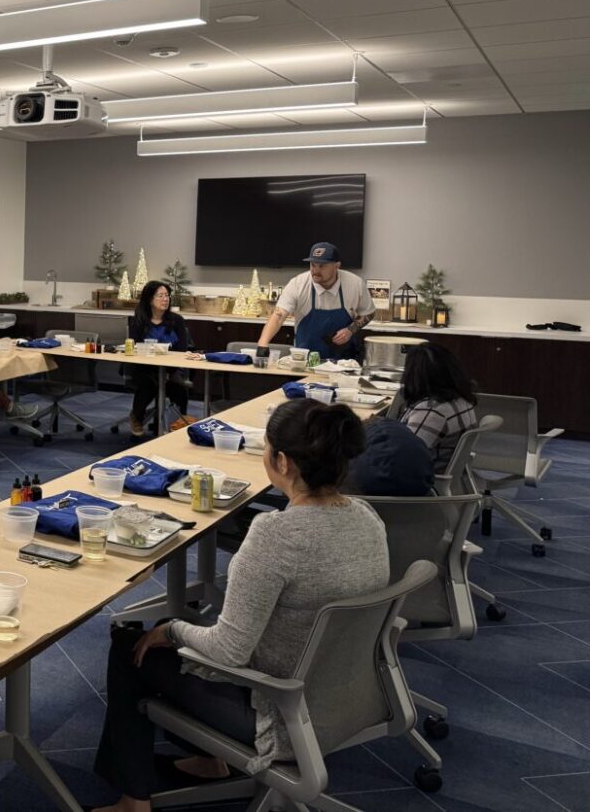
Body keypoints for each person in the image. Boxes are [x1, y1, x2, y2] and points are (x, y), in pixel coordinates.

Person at [91, 399, 388, 812]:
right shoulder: (368, 517)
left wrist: (171, 631)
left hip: (281, 711)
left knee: (132, 646)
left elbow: (230, 651)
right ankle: (211, 762)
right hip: (349, 693)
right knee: (172, 630)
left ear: (281, 462)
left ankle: (133, 802)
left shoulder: (275, 535)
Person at [257, 243, 375, 362]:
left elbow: (369, 313)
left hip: (345, 362)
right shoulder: (298, 284)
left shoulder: (355, 284)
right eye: (313, 265)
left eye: (322, 266)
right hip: (305, 361)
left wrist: (351, 330)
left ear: (337, 265)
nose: (316, 270)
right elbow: (279, 315)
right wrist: (263, 343)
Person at [125, 281, 195, 437]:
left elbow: (182, 349)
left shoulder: (176, 320)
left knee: (179, 389)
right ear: (150, 299)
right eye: (160, 296)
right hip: (145, 368)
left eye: (167, 296)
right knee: (148, 383)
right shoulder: (139, 321)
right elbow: (134, 346)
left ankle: (178, 421)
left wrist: (171, 368)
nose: (165, 299)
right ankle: (137, 417)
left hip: (172, 368)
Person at [398, 342, 479, 471]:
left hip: (420, 478)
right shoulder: (462, 399)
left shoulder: (431, 411)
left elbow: (402, 457)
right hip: (443, 469)